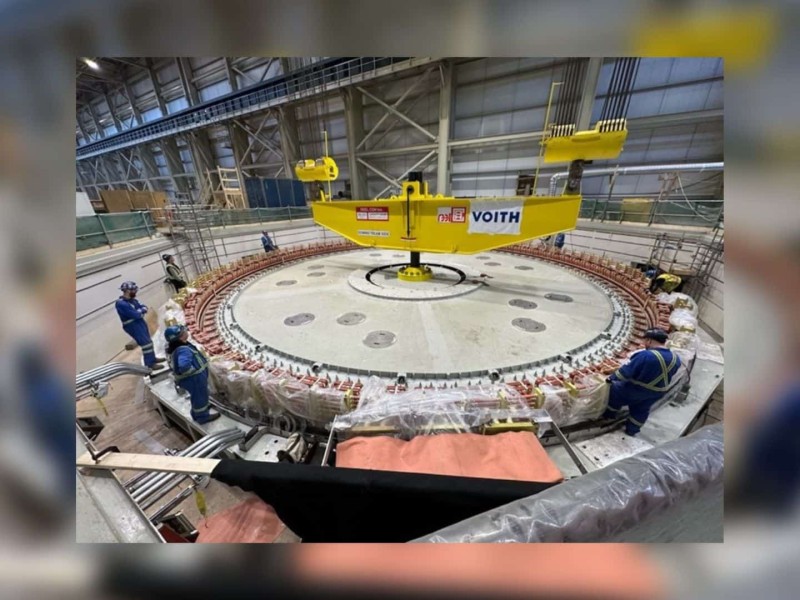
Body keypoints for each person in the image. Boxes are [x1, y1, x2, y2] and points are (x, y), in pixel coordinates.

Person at [602, 328, 682, 436]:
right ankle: (632, 430)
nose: (644, 344)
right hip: (658, 392)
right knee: (641, 410)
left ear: (649, 340)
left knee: (616, 391)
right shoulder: (675, 358)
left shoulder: (645, 355)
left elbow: (626, 372)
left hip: (637, 389)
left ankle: (609, 415)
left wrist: (611, 378)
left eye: (645, 341)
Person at [165, 325, 220, 424]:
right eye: (184, 331)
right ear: (181, 336)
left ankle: (196, 413)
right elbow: (184, 366)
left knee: (198, 396)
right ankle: (202, 417)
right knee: (199, 397)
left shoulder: (179, 347)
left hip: (193, 379)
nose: (187, 331)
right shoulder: (183, 350)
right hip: (194, 379)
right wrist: (195, 373)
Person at [115, 281, 164, 368]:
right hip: (133, 325)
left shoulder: (132, 300)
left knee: (148, 341)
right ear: (127, 291)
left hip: (139, 322)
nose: (135, 292)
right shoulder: (121, 303)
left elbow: (144, 307)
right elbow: (136, 314)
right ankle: (149, 364)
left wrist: (141, 311)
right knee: (145, 343)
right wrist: (141, 311)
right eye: (133, 290)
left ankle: (152, 358)